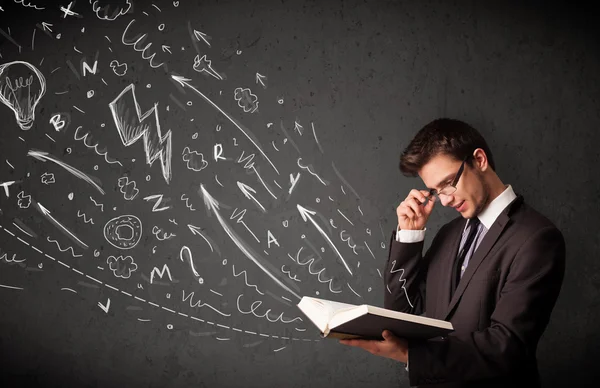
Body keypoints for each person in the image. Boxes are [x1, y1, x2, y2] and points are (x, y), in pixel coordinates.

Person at [340, 118, 566, 387]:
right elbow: (403, 310)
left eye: (449, 183)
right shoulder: (449, 234)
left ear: (479, 160)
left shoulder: (536, 237)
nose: (445, 200)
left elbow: (508, 346)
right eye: (436, 191)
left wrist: (411, 355)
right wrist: (409, 235)